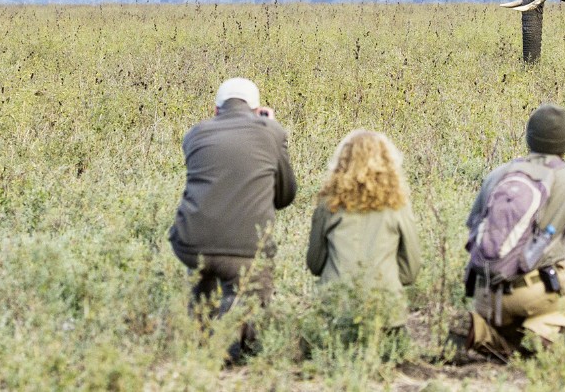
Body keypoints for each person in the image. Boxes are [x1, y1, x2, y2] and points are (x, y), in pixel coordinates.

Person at [459, 103, 565, 360]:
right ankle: (541, 330)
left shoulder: (498, 174)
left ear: (528, 137)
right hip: (531, 292)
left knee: (509, 314)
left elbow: (473, 233)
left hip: (484, 292)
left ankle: (486, 331)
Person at [168, 77, 297, 362]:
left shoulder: (195, 133)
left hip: (191, 243)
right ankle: (241, 344)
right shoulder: (270, 132)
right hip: (246, 249)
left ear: (215, 110)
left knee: (204, 275)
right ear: (257, 110)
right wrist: (273, 129)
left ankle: (199, 334)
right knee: (251, 294)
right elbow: (285, 197)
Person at [306, 130, 422, 329]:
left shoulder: (328, 205)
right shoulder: (398, 206)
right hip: (385, 312)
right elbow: (411, 270)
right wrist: (387, 278)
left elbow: (315, 264)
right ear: (388, 163)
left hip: (336, 310)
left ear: (342, 163)